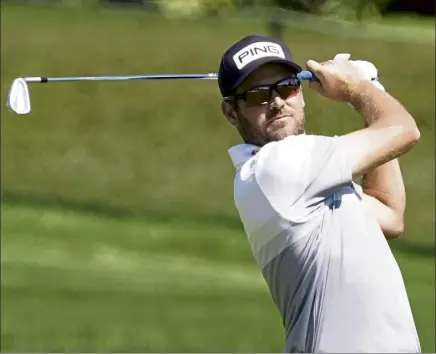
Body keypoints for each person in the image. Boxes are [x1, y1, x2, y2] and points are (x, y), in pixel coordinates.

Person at [217, 34, 421, 353]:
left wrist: (372, 90)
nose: (277, 102)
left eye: (286, 86)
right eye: (257, 94)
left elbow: (388, 212)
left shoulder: (308, 177)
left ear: (301, 92)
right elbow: (403, 130)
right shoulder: (278, 166)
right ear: (231, 112)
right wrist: (357, 89)